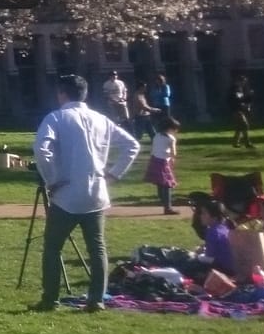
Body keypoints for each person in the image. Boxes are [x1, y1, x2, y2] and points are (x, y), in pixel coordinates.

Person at [30, 74, 141, 313]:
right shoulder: (101, 119)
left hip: (67, 193)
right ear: (85, 94)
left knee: (52, 247)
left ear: (62, 93)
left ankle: (50, 298)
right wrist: (113, 174)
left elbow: (41, 148)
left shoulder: (57, 117)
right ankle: (96, 299)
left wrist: (52, 179)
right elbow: (132, 145)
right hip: (97, 192)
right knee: (97, 247)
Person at [190, 194, 234, 274]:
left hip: (222, 270)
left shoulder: (213, 232)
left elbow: (210, 258)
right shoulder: (224, 228)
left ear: (214, 217)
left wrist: (195, 256)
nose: (200, 216)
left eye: (204, 213)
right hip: (231, 267)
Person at [145, 115, 181, 215]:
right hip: (163, 161)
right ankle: (168, 207)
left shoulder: (156, 136)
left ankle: (163, 200)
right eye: (175, 129)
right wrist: (172, 159)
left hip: (154, 160)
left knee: (160, 183)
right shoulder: (171, 139)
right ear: (170, 128)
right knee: (167, 184)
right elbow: (173, 153)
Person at [139, 74, 173, 140]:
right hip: (157, 105)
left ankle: (167, 132)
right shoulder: (155, 87)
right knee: (158, 119)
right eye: (157, 80)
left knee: (166, 119)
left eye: (159, 80)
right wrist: (158, 94)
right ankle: (160, 132)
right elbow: (152, 94)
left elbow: (166, 94)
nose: (158, 82)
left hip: (165, 104)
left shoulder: (166, 86)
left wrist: (157, 94)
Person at [228, 73, 257, 149]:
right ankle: (247, 143)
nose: (244, 83)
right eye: (244, 82)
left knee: (239, 127)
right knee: (244, 125)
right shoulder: (236, 88)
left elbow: (240, 99)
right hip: (237, 110)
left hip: (237, 109)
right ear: (240, 81)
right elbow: (239, 99)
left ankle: (235, 142)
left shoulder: (237, 88)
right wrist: (248, 96)